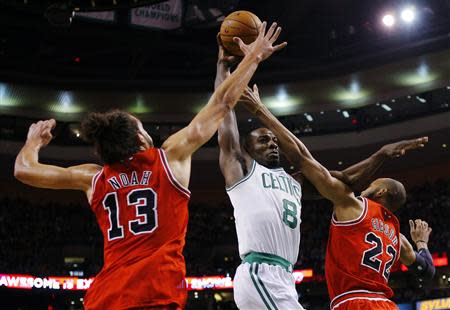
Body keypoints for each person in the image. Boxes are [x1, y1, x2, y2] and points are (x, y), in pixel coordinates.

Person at [13, 21, 287, 310]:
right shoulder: (168, 158)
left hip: (104, 299)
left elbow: (24, 170)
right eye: (144, 127)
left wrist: (33, 142)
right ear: (141, 139)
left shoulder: (93, 178)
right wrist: (253, 56)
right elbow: (221, 104)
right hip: (154, 295)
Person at [239, 87, 435, 310]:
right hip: (387, 305)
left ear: (380, 192)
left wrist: (260, 109)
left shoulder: (352, 204)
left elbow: (302, 157)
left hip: (353, 303)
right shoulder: (398, 238)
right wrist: (422, 243)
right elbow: (426, 270)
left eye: (373, 184)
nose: (366, 187)